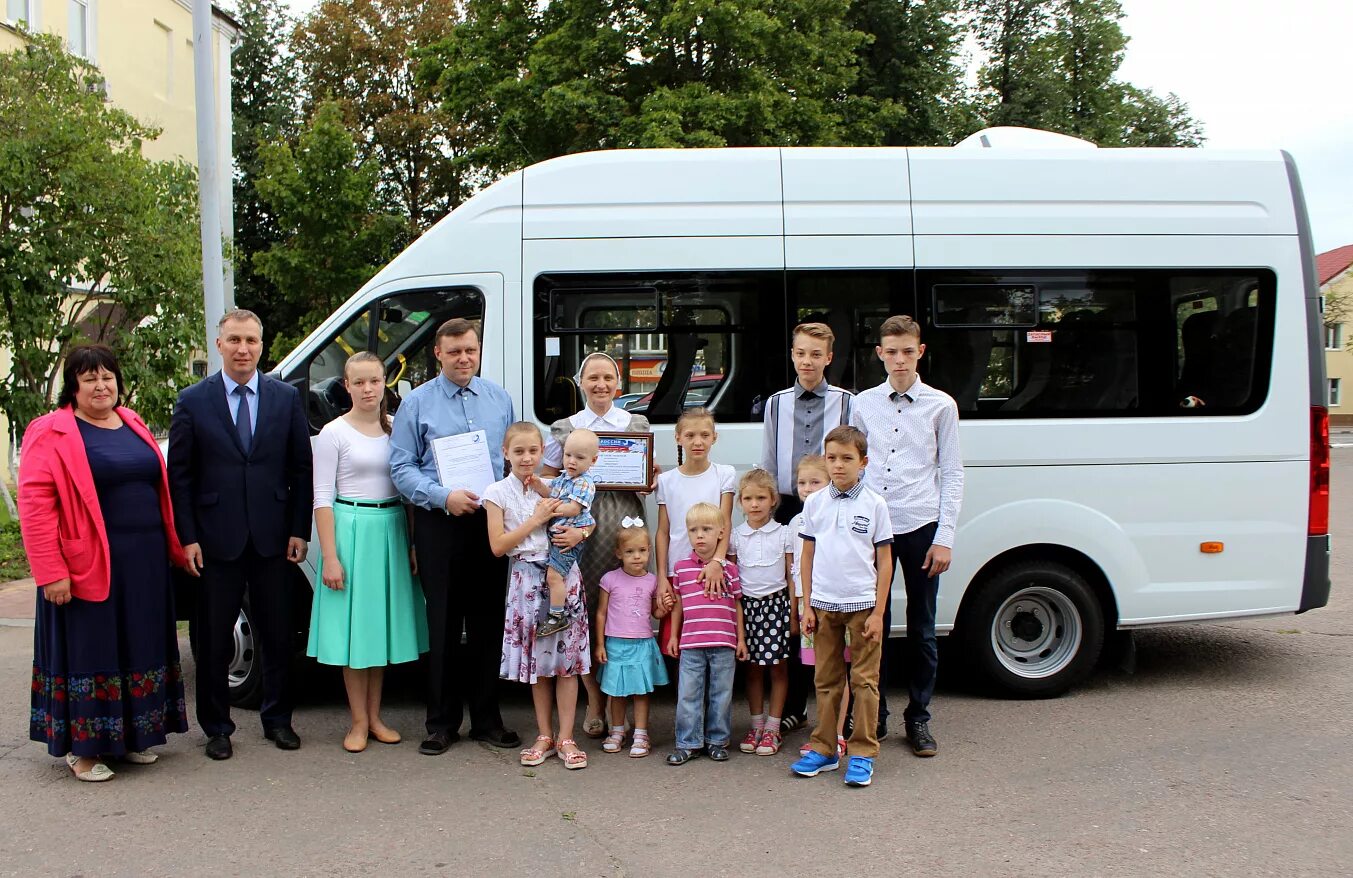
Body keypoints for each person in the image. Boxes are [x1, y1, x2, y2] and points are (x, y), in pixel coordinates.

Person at [20, 345, 191, 782]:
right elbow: (36, 507)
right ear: (73, 387)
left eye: (108, 377)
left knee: (139, 644)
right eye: (90, 378)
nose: (101, 386)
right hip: (85, 563)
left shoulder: (132, 421)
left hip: (144, 562)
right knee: (91, 650)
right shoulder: (51, 431)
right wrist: (51, 571)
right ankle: (85, 750)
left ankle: (131, 736)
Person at [168, 310, 313, 761]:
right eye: (234, 340)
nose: (243, 348)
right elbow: (181, 476)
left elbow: (300, 468)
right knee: (211, 639)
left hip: (273, 536)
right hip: (215, 539)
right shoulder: (193, 400)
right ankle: (217, 727)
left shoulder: (285, 397)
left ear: (262, 345)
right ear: (219, 345)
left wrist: (298, 529)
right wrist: (187, 536)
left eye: (251, 340)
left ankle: (278, 720)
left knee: (277, 634)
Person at [390, 317, 521, 756]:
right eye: (455, 351)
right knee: (443, 622)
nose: (464, 358)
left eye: (471, 349)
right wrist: (443, 497)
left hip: (489, 522)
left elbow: (512, 461)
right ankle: (441, 723)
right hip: (440, 522)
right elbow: (402, 467)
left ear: (479, 350)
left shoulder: (499, 399)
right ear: (438, 354)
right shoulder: (417, 404)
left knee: (488, 623)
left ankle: (487, 719)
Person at [850, 314, 963, 756]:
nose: (899, 360)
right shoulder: (863, 404)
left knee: (922, 628)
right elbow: (853, 466)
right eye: (891, 352)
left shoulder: (941, 406)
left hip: (921, 524)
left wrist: (945, 536)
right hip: (874, 528)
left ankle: (918, 718)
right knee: (870, 623)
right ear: (880, 354)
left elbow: (952, 473)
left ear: (921, 352)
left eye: (907, 351)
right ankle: (873, 713)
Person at [307, 352, 429, 753]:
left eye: (374, 381)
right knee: (354, 632)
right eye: (358, 382)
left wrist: (411, 542)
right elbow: (322, 498)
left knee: (377, 630)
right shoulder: (333, 433)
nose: (367, 389)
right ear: (346, 385)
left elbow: (409, 493)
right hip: (351, 532)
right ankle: (357, 721)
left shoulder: (397, 430)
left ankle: (376, 718)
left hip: (391, 529)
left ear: (384, 384)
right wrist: (330, 556)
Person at [541, 351, 653, 739]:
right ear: (581, 382)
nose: (601, 385)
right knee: (584, 608)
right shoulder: (566, 428)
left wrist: (647, 478)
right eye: (593, 378)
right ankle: (594, 698)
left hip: (622, 518)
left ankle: (618, 693)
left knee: (620, 608)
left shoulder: (634, 422)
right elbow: (550, 478)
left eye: (608, 378)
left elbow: (641, 476)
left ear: (618, 384)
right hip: (578, 524)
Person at [760, 322, 854, 734]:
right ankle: (796, 705)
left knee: (833, 602)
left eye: (816, 354)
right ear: (792, 355)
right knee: (797, 610)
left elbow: (854, 456)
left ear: (829, 358)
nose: (808, 361)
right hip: (791, 506)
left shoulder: (848, 403)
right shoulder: (776, 404)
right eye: (801, 353)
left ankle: (843, 711)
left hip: (834, 507)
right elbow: (767, 462)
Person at [790, 426, 893, 788]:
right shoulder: (815, 503)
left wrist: (879, 612)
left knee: (864, 681)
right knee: (826, 680)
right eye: (832, 458)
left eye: (847, 458)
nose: (838, 465)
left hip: (863, 605)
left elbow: (885, 562)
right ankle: (825, 748)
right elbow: (807, 555)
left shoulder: (875, 504)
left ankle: (862, 752)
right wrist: (807, 605)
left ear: (863, 462)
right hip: (823, 605)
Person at [485, 422, 590, 770]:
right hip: (526, 580)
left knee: (566, 664)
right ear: (505, 454)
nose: (527, 457)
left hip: (562, 575)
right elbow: (498, 546)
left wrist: (582, 533)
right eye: (519, 451)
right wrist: (535, 519)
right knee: (540, 665)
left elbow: (586, 516)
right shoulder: (496, 493)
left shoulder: (559, 484)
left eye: (533, 450)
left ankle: (567, 736)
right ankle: (545, 734)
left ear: (542, 452)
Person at [664, 503, 746, 766]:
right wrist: (674, 636)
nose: (699, 535)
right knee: (688, 693)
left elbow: (737, 605)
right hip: (691, 642)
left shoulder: (729, 570)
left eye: (706, 529)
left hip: (723, 642)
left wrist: (741, 639)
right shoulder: (682, 568)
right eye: (693, 530)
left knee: (720, 694)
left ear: (721, 534)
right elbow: (677, 604)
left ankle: (717, 741)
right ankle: (688, 742)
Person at [729, 468, 794, 757]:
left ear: (773, 500)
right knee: (752, 669)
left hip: (776, 605)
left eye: (761, 498)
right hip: (748, 609)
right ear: (740, 502)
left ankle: (773, 727)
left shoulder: (784, 533)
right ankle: (756, 724)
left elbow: (792, 576)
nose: (754, 504)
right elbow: (732, 580)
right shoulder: (734, 537)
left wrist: (793, 613)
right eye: (748, 498)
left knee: (778, 667)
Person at [788, 455, 848, 760]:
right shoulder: (796, 523)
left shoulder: (837, 516)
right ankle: (822, 732)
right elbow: (794, 567)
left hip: (835, 602)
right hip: (806, 604)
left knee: (839, 670)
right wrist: (797, 605)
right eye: (802, 483)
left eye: (815, 482)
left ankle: (837, 734)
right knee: (820, 672)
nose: (807, 489)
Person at [594, 525, 672, 758]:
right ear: (619, 553)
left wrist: (664, 608)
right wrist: (599, 643)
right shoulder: (610, 579)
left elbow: (654, 614)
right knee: (617, 692)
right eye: (629, 552)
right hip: (616, 643)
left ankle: (641, 733)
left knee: (640, 691)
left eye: (641, 551)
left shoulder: (652, 581)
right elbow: (601, 613)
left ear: (649, 551)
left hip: (642, 644)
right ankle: (617, 731)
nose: (636, 556)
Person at [655, 408, 735, 600]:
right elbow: (663, 532)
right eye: (690, 435)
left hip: (713, 569)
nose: (697, 442)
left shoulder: (724, 474)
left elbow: (725, 523)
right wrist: (661, 576)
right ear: (678, 438)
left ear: (714, 437)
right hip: (677, 569)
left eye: (705, 435)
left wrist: (718, 561)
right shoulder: (666, 481)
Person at [527, 428, 598, 636]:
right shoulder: (563, 478)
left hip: (568, 537)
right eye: (568, 455)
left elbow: (573, 508)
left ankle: (558, 616)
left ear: (593, 460)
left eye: (579, 457)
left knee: (554, 576)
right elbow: (552, 494)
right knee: (552, 576)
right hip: (557, 536)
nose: (572, 461)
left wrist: (548, 510)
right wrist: (539, 484)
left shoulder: (584, 483)